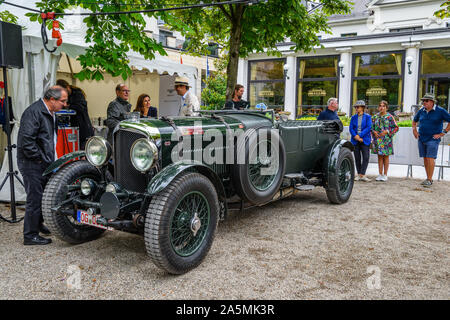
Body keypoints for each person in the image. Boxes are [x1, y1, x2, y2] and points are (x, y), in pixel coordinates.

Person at [17, 86, 68, 245]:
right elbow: (27, 141)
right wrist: (39, 159)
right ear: (51, 99)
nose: (65, 104)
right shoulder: (34, 112)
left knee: (42, 197)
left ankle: (37, 225)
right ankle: (30, 235)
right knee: (35, 198)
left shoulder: (49, 112)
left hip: (43, 163)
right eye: (63, 101)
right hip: (33, 163)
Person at [412, 93, 450, 187]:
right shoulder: (421, 111)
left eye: (426, 100)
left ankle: (429, 179)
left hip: (433, 138)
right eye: (423, 101)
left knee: (430, 158)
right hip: (422, 138)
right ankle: (428, 178)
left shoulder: (440, 111)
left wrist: (443, 133)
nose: (424, 102)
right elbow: (414, 121)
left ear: (432, 102)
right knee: (425, 158)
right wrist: (415, 131)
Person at [56, 79, 94, 150]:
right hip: (72, 129)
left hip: (83, 129)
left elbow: (80, 108)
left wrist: (68, 106)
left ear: (67, 87)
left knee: (83, 151)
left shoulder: (78, 94)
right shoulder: (67, 96)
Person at [371, 101, 399, 182]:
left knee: (386, 156)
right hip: (378, 139)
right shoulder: (375, 117)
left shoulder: (389, 117)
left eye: (383, 106)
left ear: (386, 107)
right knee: (379, 156)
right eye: (380, 106)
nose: (381, 107)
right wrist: (374, 132)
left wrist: (387, 131)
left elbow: (396, 127)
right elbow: (371, 127)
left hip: (386, 140)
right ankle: (380, 174)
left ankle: (385, 174)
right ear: (378, 107)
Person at [349, 100, 372, 182]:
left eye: (358, 107)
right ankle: (359, 174)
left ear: (362, 108)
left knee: (366, 157)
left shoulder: (368, 117)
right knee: (357, 157)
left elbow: (369, 128)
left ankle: (362, 174)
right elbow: (351, 128)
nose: (356, 108)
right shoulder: (353, 117)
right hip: (355, 140)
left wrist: (360, 135)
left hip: (364, 139)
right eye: (355, 107)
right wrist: (355, 136)